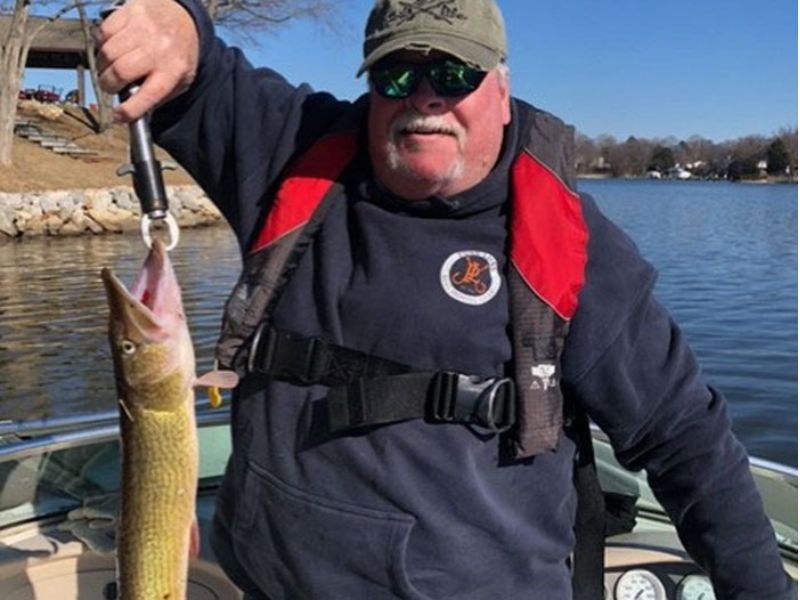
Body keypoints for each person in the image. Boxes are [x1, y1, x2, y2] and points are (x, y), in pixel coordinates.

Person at [96, 1, 795, 598]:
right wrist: (176, 22)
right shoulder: (296, 154)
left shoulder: (572, 245)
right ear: (372, 87)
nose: (424, 96)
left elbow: (686, 440)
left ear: (501, 85)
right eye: (398, 74)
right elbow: (198, 69)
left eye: (454, 74)